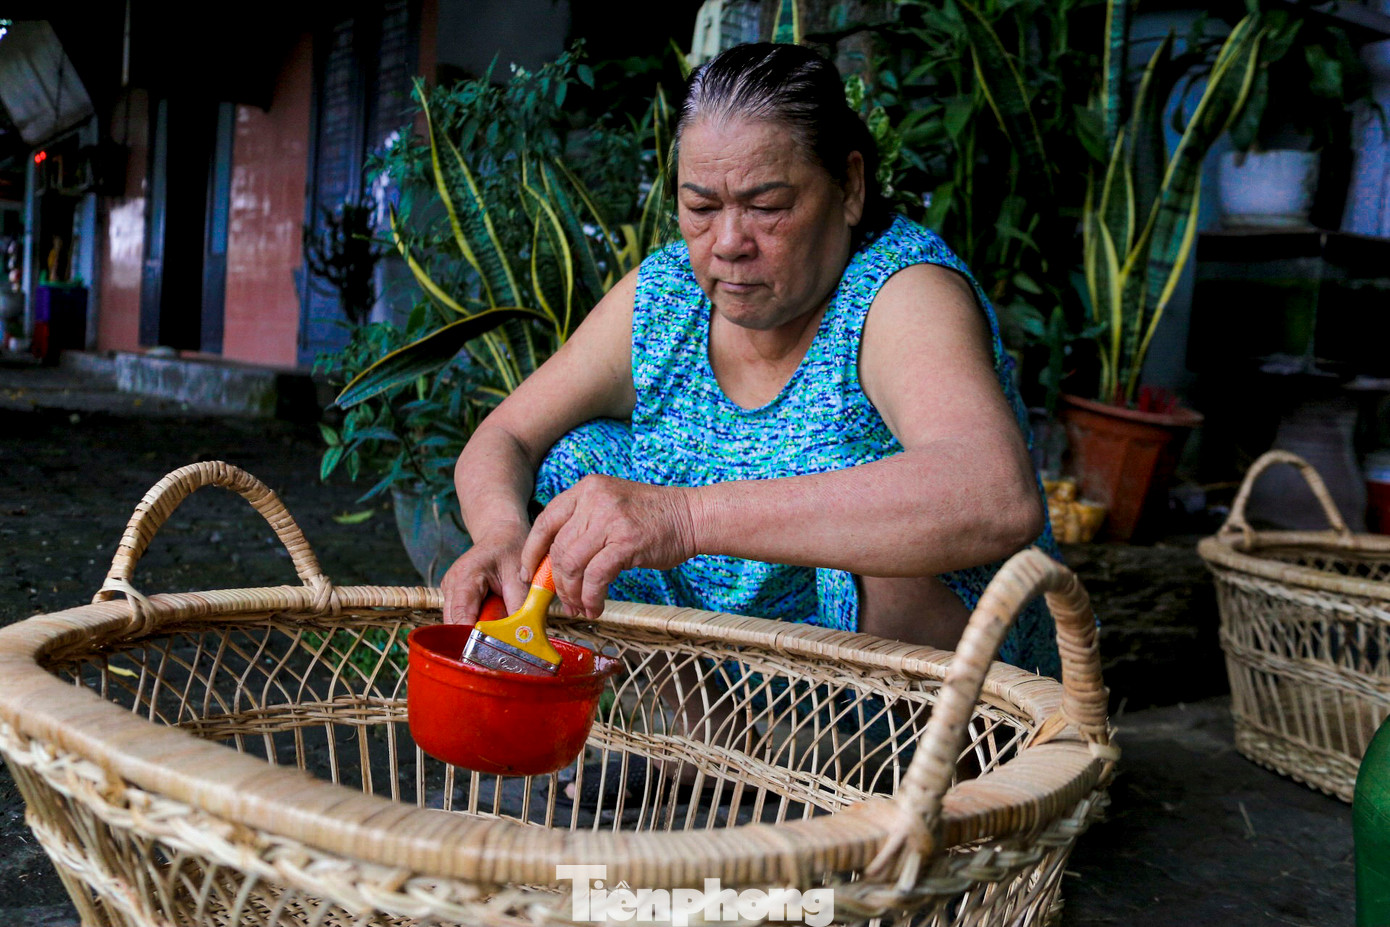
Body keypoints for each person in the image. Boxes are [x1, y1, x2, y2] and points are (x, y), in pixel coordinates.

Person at [442, 41, 1062, 677]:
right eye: (702, 208)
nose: (730, 243)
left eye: (768, 207)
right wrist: (499, 536)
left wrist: (685, 518)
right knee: (579, 471)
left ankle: (869, 766)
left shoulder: (900, 292)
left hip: (915, 694)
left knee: (888, 517)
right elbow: (508, 435)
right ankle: (708, 748)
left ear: (849, 187)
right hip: (735, 680)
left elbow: (995, 495)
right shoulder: (666, 297)